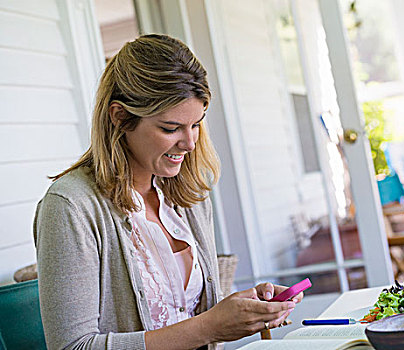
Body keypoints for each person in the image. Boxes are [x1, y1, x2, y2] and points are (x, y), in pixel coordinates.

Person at [33, 34, 301, 350]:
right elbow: (72, 347)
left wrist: (241, 313)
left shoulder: (188, 196)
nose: (189, 143)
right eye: (171, 128)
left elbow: (186, 316)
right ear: (120, 117)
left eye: (196, 124)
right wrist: (211, 326)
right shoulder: (70, 207)